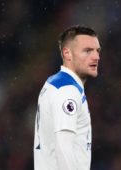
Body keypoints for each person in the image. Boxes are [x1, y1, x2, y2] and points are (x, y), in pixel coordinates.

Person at [33, 25, 101, 170]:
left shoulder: (54, 82)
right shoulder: (67, 91)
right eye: (87, 51)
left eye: (97, 50)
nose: (96, 56)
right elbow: (63, 147)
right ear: (67, 53)